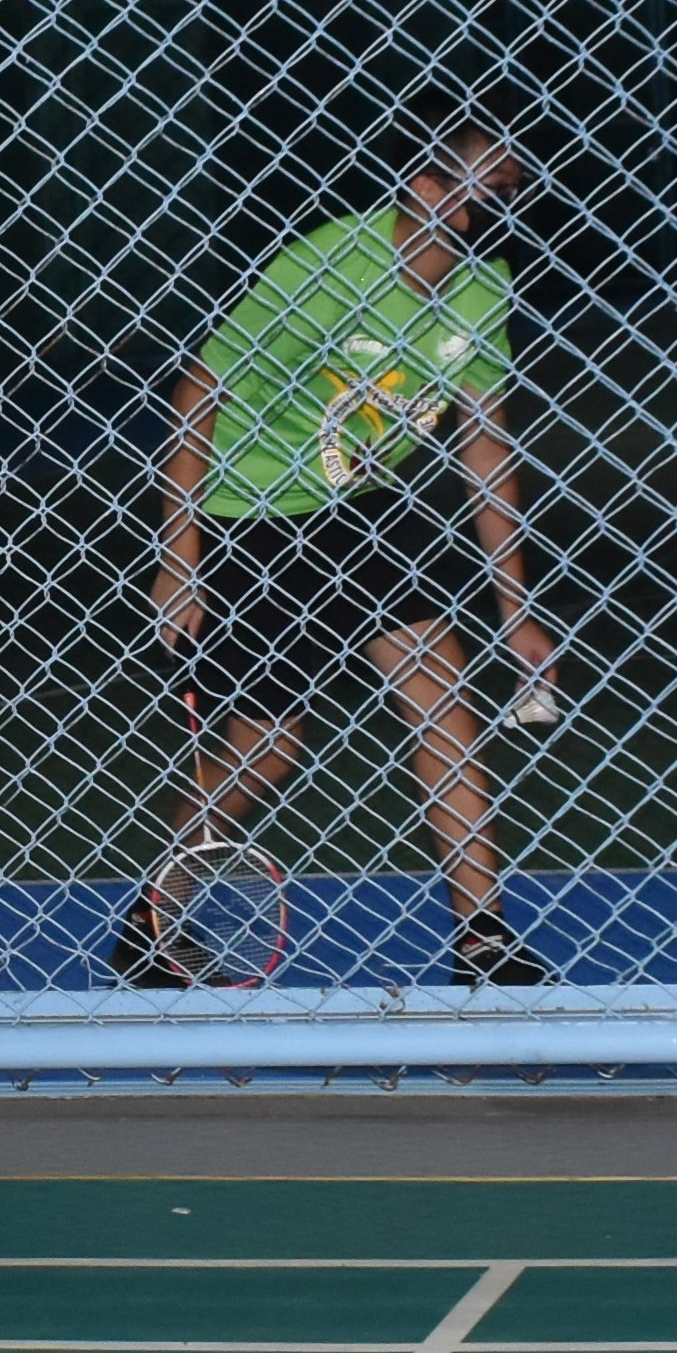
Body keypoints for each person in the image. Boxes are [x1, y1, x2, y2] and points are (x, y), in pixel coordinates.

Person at [113, 119, 557, 990]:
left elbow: (485, 447)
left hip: (363, 506)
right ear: (429, 192)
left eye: (520, 193)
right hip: (254, 511)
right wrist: (180, 554)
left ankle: (485, 938)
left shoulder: (484, 286)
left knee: (438, 675)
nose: (511, 208)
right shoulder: (326, 268)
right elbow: (201, 388)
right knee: (269, 748)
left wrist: (520, 611)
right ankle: (154, 914)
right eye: (495, 190)